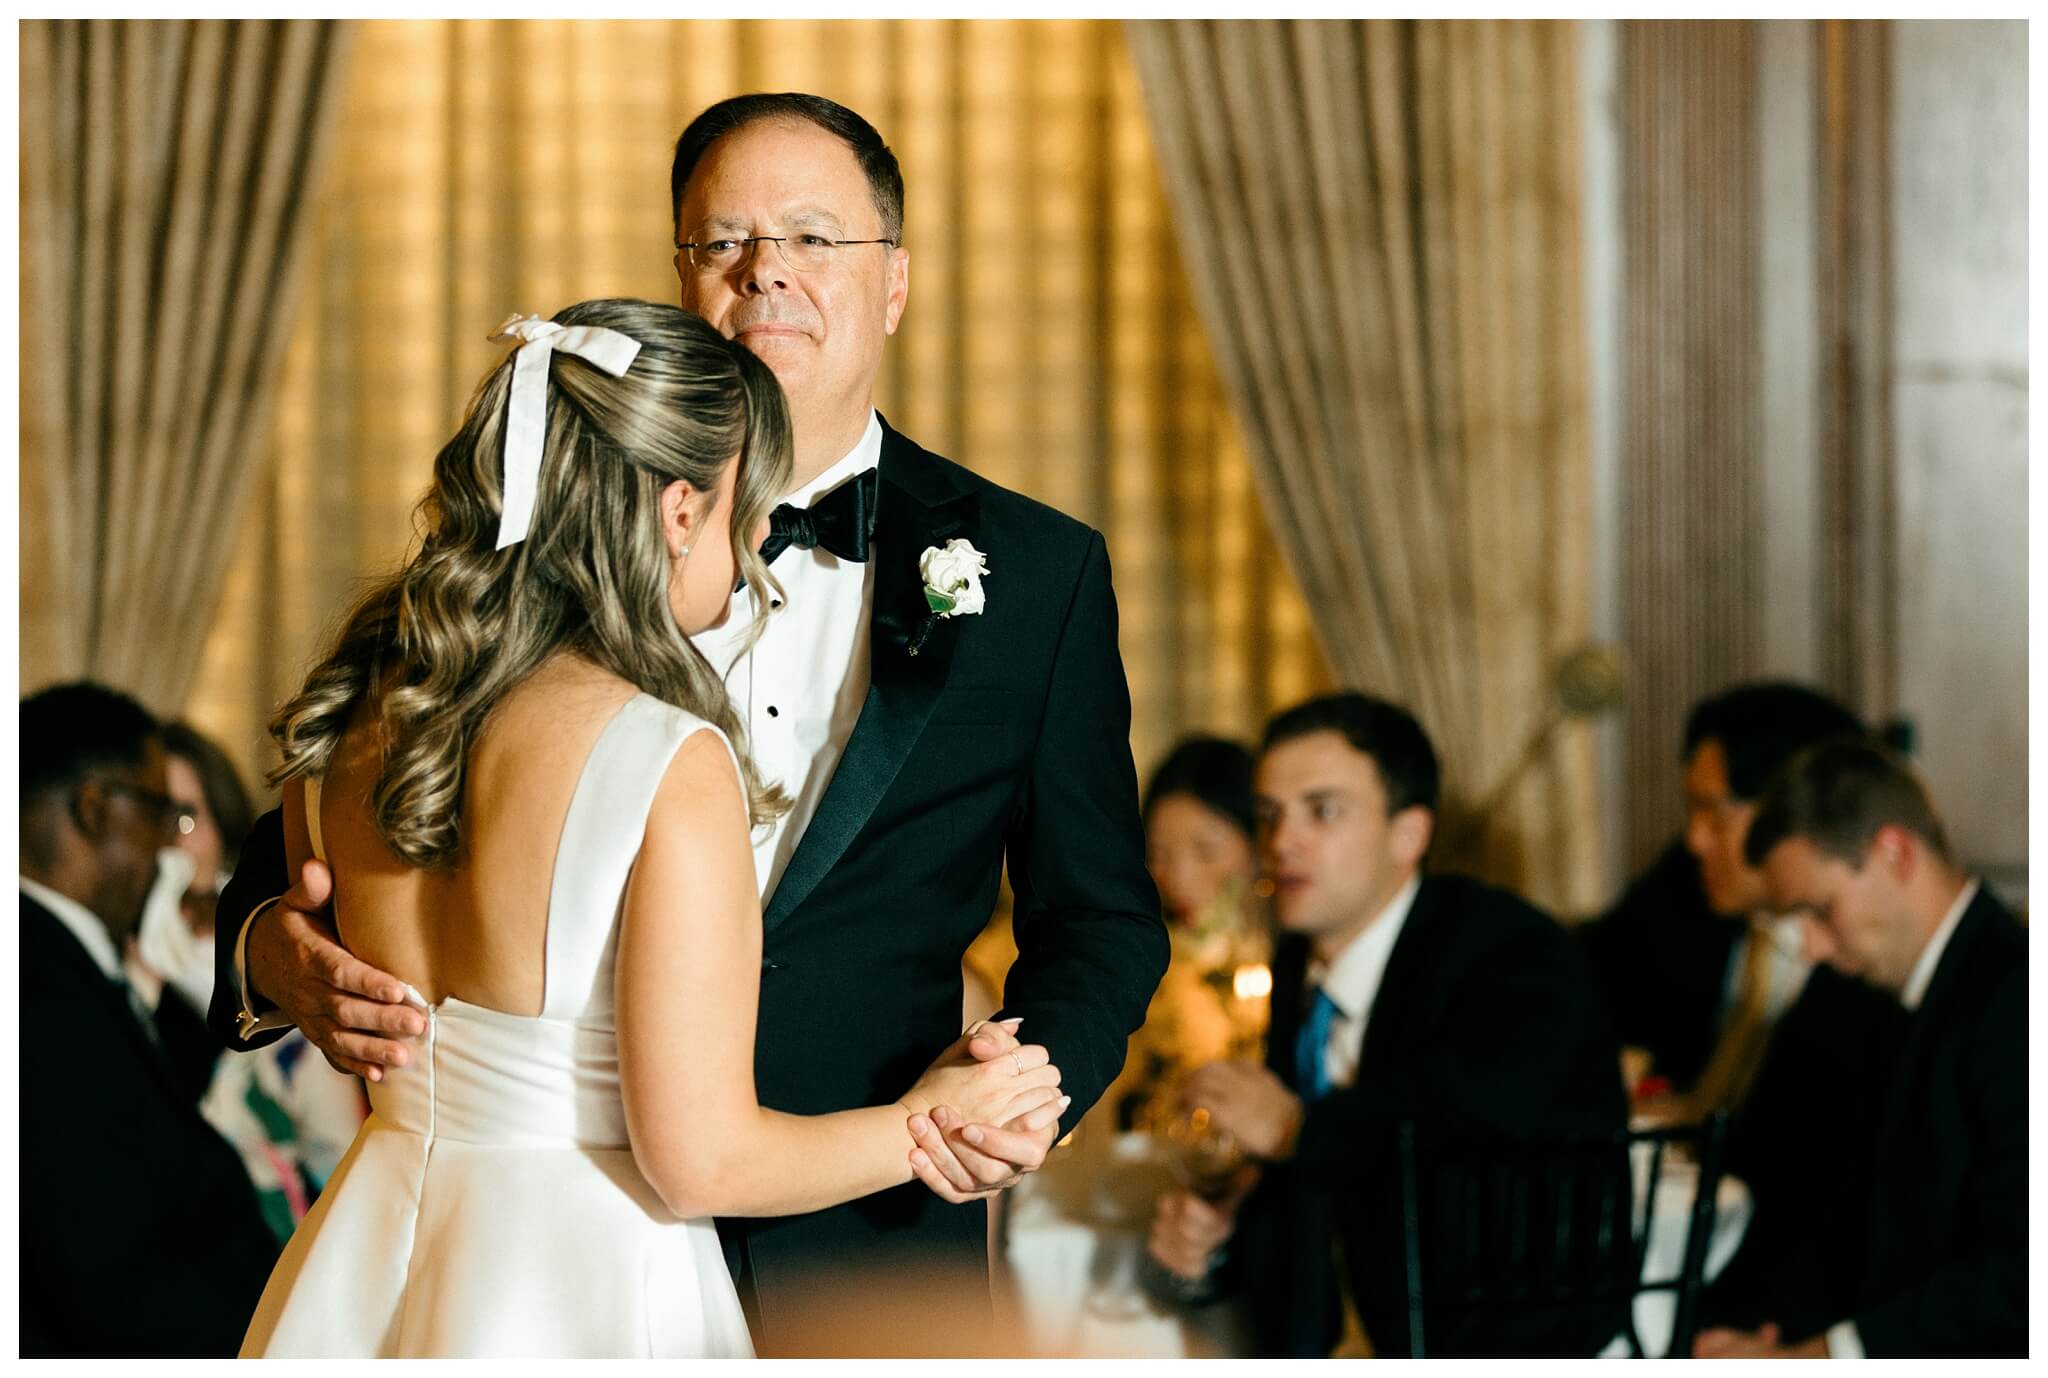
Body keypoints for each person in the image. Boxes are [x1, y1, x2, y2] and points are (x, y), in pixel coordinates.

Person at [211, 93, 1165, 1356]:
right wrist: (271, 951)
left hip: (862, 1232)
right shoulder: (496, 596)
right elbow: (301, 857)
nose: (764, 270)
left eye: (813, 238)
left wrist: (1019, 1092)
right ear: (679, 276)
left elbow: (1094, 914)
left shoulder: (1035, 572)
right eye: (721, 241)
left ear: (895, 283)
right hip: (562, 1234)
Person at [1146, 693, 1626, 1356]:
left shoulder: (1513, 952)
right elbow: (1315, 1198)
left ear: (1410, 833)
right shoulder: (1299, 965)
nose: (1282, 842)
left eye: (1323, 811)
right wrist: (1212, 1246)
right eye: (1269, 815)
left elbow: (1474, 1118)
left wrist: (1295, 1130)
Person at [1580, 682, 1906, 1337]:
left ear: (1796, 813)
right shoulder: (1690, 886)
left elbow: (1833, 1210)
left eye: (1715, 814)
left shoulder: (1878, 973)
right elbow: (1575, 968)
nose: (1696, 840)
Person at [1695, 740, 2026, 1359]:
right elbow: (1849, 1221)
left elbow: (2020, 1277)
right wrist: (1770, 1333)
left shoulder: (2015, 1000)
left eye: (1819, 911)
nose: (1812, 948)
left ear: (1894, 853)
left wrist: (1822, 1356)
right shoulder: (1891, 998)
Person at [20, 682, 279, 1356]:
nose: (172, 849)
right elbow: (103, 1271)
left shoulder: (75, 962)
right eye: (161, 813)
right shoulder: (37, 988)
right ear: (94, 809)